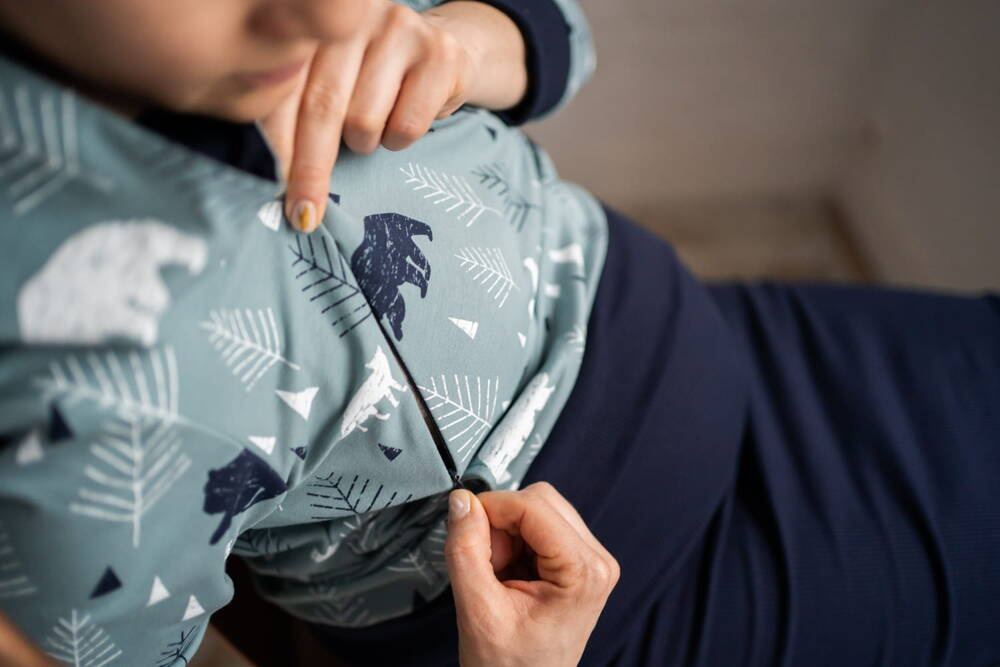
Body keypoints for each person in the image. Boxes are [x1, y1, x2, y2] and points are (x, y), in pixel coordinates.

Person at [1, 2, 999, 667]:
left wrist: (470, 42)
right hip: (621, 612)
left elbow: (559, 29)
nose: (339, 13)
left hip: (742, 336)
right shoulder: (64, 391)